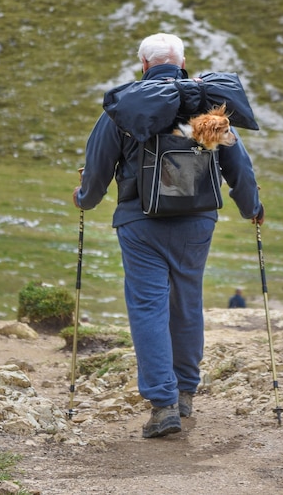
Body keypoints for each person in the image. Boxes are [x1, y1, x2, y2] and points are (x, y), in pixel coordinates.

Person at [73, 32, 264, 439]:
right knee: (187, 303)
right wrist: (253, 209)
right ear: (182, 62)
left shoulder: (125, 108)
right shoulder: (208, 107)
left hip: (140, 223)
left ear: (143, 65)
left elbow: (97, 168)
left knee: (148, 308)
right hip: (197, 223)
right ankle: (185, 395)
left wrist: (83, 199)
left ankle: (162, 407)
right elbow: (240, 169)